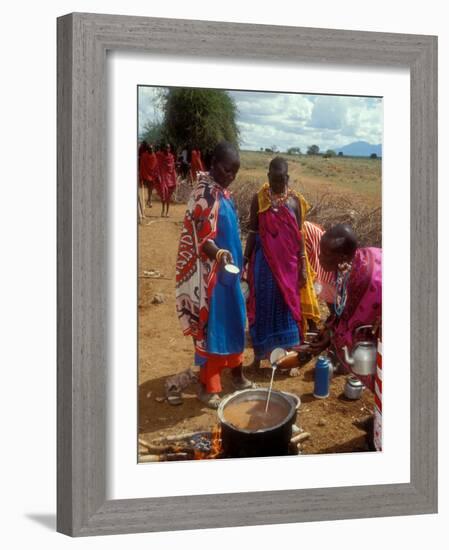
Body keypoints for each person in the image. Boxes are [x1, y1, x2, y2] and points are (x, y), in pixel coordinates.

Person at [175, 141, 253, 408]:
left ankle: (238, 376)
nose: (230, 176)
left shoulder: (223, 192)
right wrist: (219, 254)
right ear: (212, 163)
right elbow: (200, 237)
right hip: (210, 279)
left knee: (235, 321)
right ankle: (208, 386)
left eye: (235, 172)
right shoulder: (204, 193)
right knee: (213, 329)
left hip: (228, 276)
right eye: (226, 169)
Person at [244, 157, 320, 368]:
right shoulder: (258, 199)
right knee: (261, 307)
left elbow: (300, 237)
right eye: (274, 179)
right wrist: (244, 258)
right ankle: (259, 357)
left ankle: (290, 357)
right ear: (268, 177)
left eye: (282, 180)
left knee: (288, 308)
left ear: (287, 178)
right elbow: (252, 231)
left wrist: (304, 267)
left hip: (289, 267)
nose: (278, 184)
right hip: (264, 264)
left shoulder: (295, 202)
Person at [309, 223, 382, 392]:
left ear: (341, 256)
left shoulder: (367, 278)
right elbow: (343, 308)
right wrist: (328, 330)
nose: (319, 257)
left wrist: (331, 337)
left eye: (324, 254)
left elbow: (352, 322)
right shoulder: (346, 265)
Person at [156, 143, 177, 217]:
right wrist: (158, 176)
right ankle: (163, 210)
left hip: (170, 178)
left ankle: (167, 212)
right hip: (163, 177)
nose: (167, 149)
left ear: (170, 149)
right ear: (164, 148)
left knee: (168, 196)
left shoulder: (171, 157)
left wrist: (174, 177)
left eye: (168, 148)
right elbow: (158, 166)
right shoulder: (160, 156)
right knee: (163, 194)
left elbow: (173, 167)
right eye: (166, 147)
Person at [138, 141, 160, 210]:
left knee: (151, 188)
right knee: (149, 187)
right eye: (150, 149)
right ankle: (149, 200)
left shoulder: (154, 155)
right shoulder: (144, 156)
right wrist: (141, 174)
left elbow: (156, 165)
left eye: (152, 149)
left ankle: (149, 200)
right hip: (146, 174)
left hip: (152, 174)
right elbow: (142, 165)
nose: (151, 150)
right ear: (148, 149)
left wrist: (157, 173)